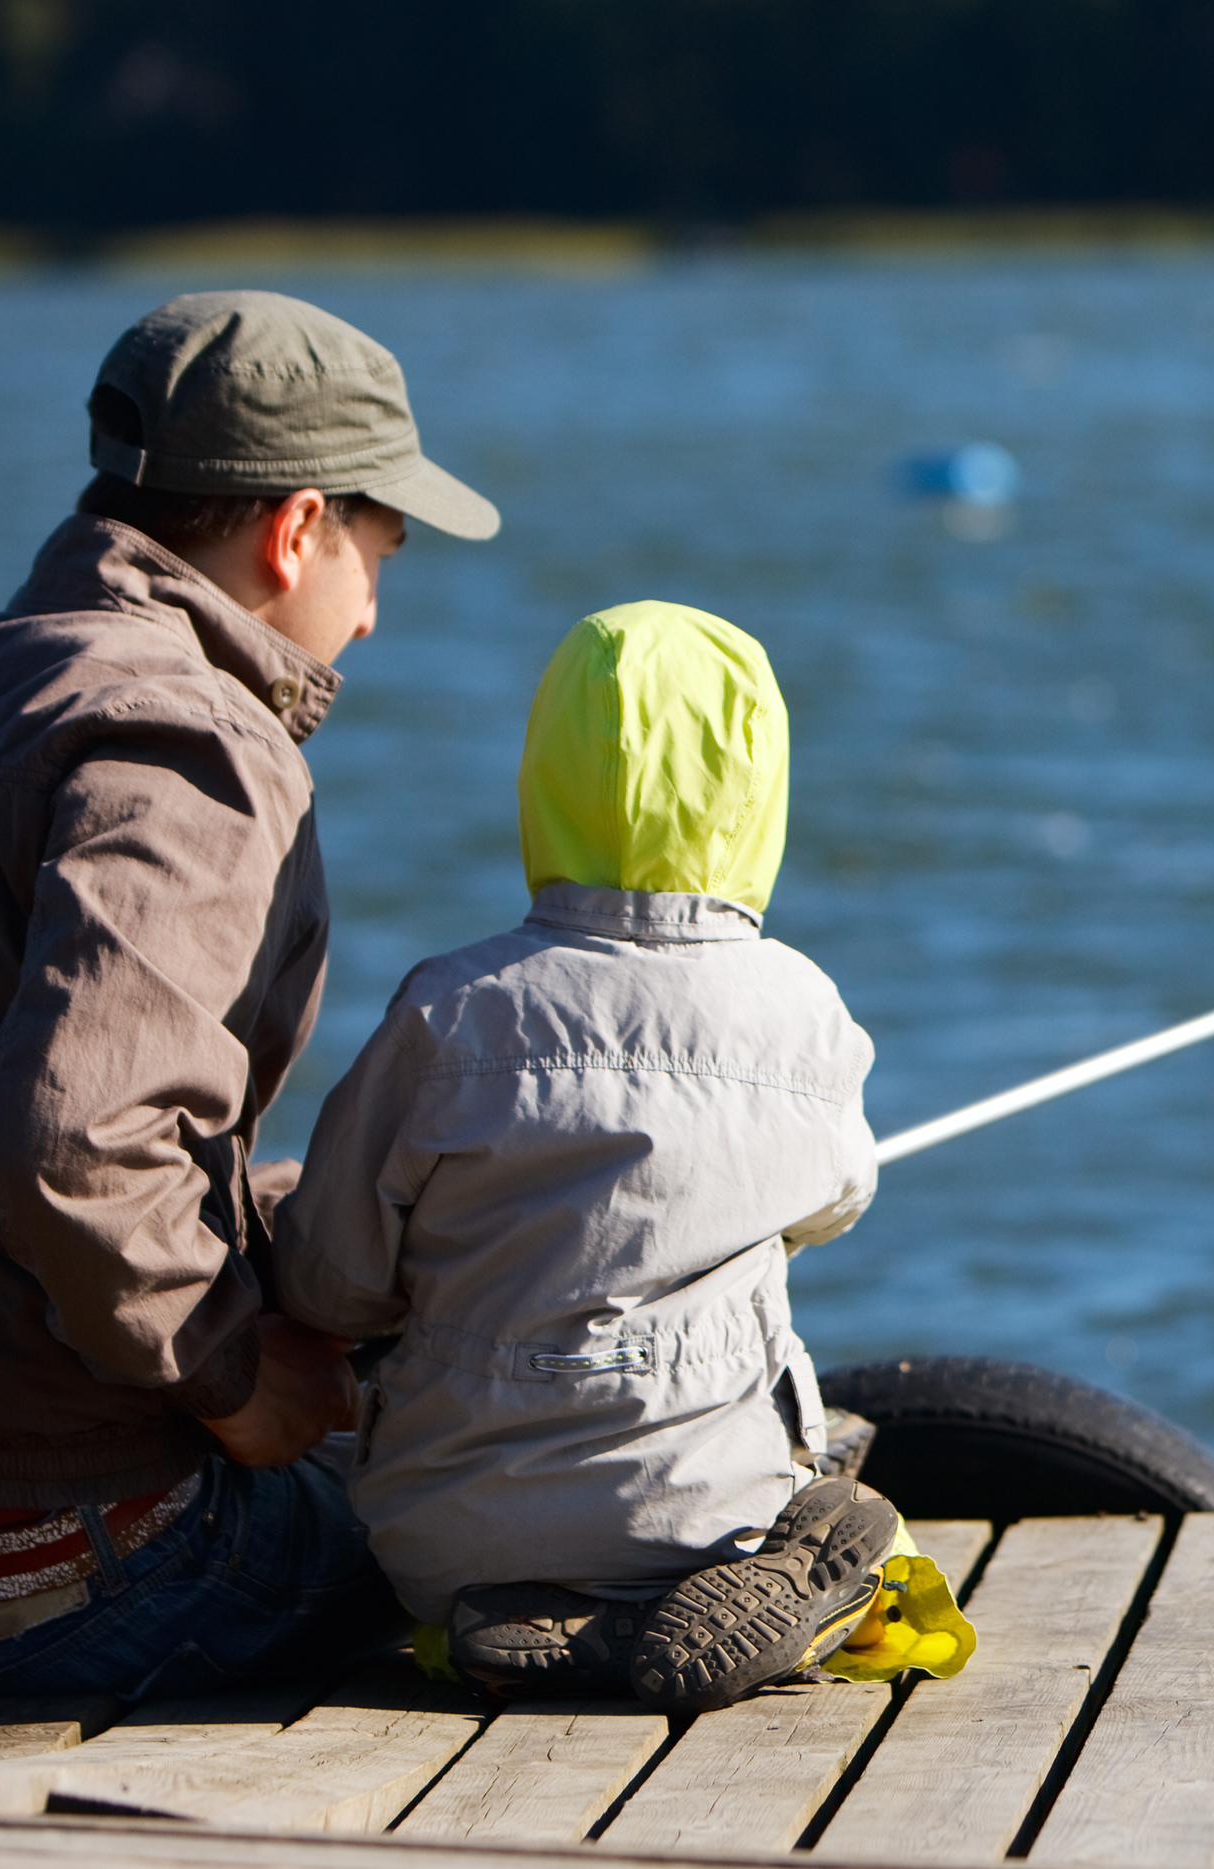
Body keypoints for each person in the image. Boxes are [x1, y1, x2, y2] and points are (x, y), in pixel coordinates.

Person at [0, 290, 496, 1694]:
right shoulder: (191, 745)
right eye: (382, 550)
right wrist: (235, 1382)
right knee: (508, 1516)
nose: (370, 610)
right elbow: (71, 1146)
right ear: (296, 528)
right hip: (45, 1572)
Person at [276, 602, 968, 1711]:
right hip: (704, 1514)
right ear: (760, 801)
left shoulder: (447, 1010)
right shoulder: (802, 1010)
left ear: (544, 782)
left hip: (444, 1539)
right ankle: (748, 1585)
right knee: (824, 1483)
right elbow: (840, 1199)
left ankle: (543, 1618)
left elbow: (331, 1284)